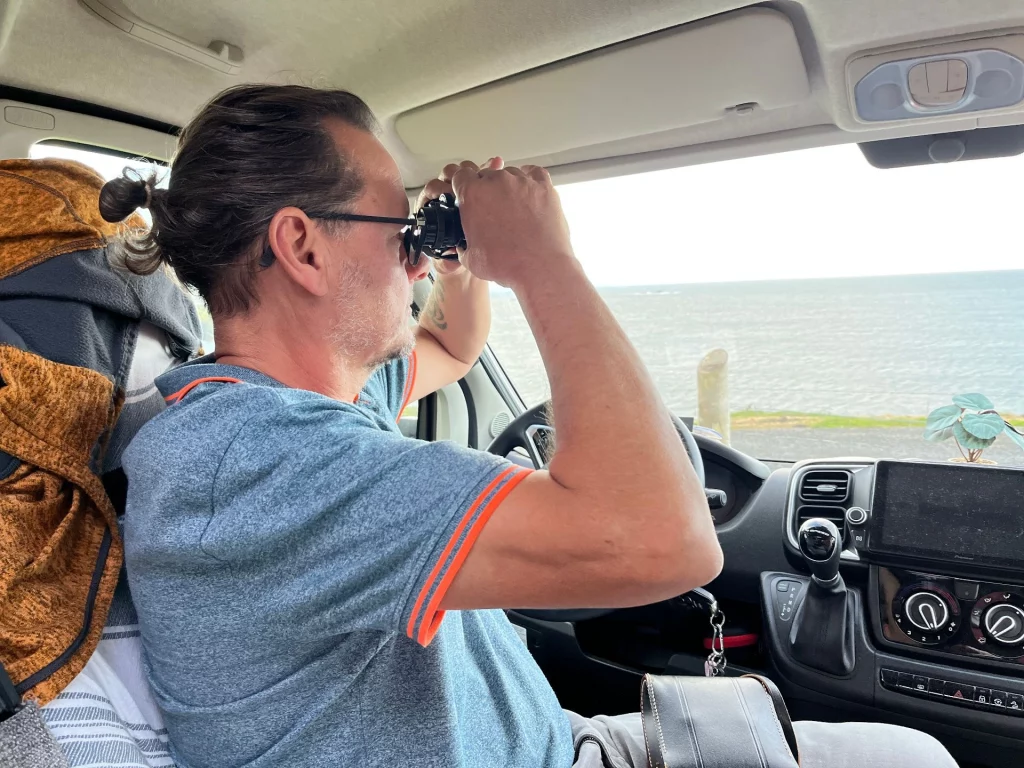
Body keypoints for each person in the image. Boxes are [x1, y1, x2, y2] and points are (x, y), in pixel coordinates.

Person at [105, 84, 957, 768]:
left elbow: (452, 341)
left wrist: (460, 249)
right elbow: (668, 541)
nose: (414, 255)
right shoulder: (255, 465)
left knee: (916, 751)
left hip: (560, 741)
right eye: (398, 229)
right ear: (303, 247)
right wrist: (543, 260)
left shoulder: (309, 404)